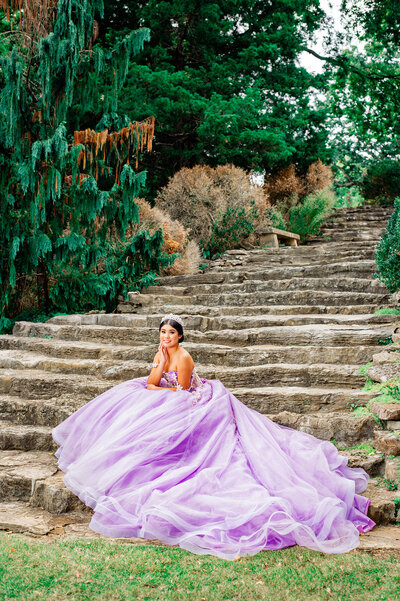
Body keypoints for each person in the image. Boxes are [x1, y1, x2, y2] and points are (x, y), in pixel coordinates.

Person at [52, 314, 375, 560]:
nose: (166, 337)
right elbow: (152, 384)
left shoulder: (185, 357)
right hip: (171, 393)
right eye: (162, 332)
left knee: (164, 415)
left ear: (180, 336)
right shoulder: (162, 353)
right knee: (130, 399)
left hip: (190, 398)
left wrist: (164, 372)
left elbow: (179, 390)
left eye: (171, 333)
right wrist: (160, 361)